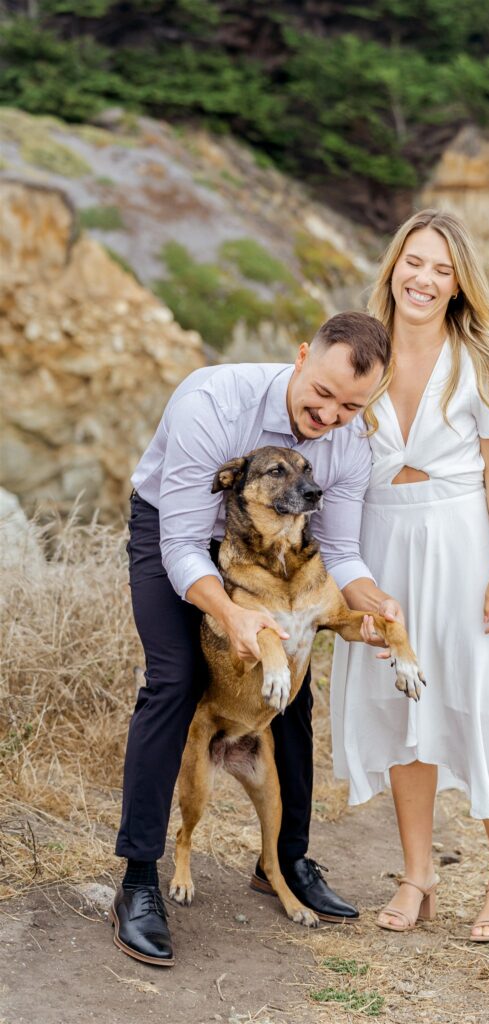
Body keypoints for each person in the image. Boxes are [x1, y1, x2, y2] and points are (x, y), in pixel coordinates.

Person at [113, 311, 404, 967]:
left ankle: (285, 861)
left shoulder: (351, 438)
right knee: (175, 680)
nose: (330, 415)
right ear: (302, 356)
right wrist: (232, 615)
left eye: (351, 405)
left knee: (290, 688)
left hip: (273, 556)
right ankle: (136, 879)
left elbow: (342, 550)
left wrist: (371, 603)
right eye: (321, 394)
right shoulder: (212, 400)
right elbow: (187, 546)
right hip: (177, 533)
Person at [330, 209, 489, 941]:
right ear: (393, 264)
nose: (423, 279)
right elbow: (329, 452)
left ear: (459, 283)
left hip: (461, 547)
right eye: (414, 262)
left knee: (482, 705)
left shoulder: (485, 356)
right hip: (380, 545)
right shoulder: (360, 349)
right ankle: (418, 874)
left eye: (441, 268)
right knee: (402, 709)